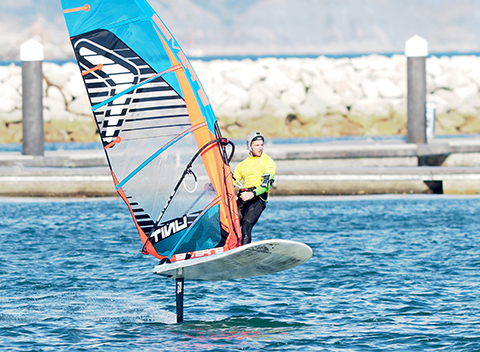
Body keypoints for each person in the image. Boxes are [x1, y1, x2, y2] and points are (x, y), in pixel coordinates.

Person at [233, 131, 276, 245]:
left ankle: (244, 255)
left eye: (262, 145)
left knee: (246, 226)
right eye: (257, 145)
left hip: (258, 198)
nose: (260, 148)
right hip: (243, 197)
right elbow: (232, 182)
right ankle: (224, 249)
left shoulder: (267, 162)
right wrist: (212, 188)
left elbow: (266, 184)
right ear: (249, 146)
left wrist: (253, 194)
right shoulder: (242, 165)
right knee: (230, 225)